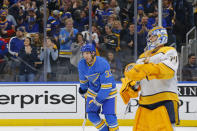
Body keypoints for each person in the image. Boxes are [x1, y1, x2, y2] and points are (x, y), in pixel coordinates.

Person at [120, 26, 179, 131]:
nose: (150, 39)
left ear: (161, 37)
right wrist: (132, 84)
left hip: (165, 99)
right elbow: (138, 78)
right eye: (150, 37)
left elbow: (168, 71)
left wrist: (146, 69)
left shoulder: (169, 51)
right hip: (145, 102)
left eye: (153, 37)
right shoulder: (142, 56)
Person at [78, 43, 119, 131]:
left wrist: (97, 101)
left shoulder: (102, 63)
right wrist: (83, 92)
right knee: (91, 115)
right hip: (94, 90)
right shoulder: (81, 64)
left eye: (88, 53)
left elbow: (106, 87)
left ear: (93, 53)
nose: (85, 56)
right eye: (84, 53)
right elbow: (83, 81)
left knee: (110, 117)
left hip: (109, 92)